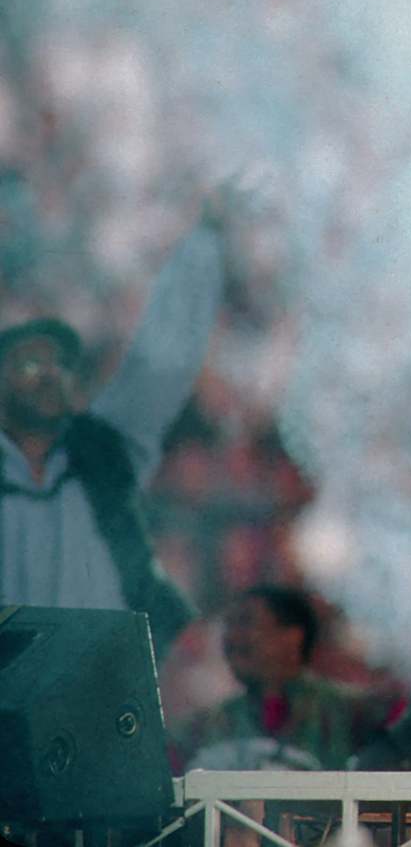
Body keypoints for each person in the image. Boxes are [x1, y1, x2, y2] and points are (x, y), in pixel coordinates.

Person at [0, 184, 236, 655]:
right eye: (29, 365)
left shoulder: (107, 448)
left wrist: (205, 243)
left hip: (109, 682)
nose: (49, 377)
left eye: (60, 366)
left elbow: (163, 361)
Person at [175, 584, 398, 772]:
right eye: (229, 625)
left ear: (293, 637)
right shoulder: (206, 725)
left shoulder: (355, 712)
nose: (231, 638)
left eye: (245, 622)